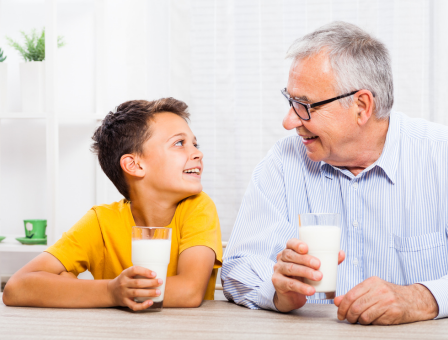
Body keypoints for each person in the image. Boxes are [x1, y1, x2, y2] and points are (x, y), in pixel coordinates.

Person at [221, 21, 448, 325]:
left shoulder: (440, 156)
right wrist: (278, 292)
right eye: (291, 101)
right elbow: (237, 266)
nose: (290, 121)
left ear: (361, 106)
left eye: (304, 105)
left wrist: (424, 298)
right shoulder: (283, 161)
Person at [3, 98, 222, 311]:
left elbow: (189, 291)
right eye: (179, 143)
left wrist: (72, 287)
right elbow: (16, 288)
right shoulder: (101, 221)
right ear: (134, 165)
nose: (198, 153)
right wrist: (110, 291)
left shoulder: (198, 208)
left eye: (195, 143)